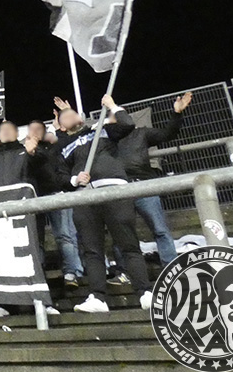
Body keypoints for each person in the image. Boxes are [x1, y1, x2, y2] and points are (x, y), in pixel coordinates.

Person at [56, 95, 151, 313]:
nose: (71, 116)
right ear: (61, 126)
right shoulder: (64, 147)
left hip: (114, 191)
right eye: (66, 117)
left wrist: (112, 106)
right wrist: (74, 180)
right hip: (85, 198)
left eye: (73, 113)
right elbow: (59, 176)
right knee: (92, 250)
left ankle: (145, 292)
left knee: (128, 244)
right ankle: (97, 297)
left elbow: (127, 124)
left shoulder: (101, 130)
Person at [112, 92, 193, 270]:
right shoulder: (105, 139)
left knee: (160, 229)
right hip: (118, 189)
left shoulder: (140, 133)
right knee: (121, 233)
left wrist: (177, 113)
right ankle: (125, 272)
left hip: (143, 184)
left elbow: (167, 134)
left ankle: (171, 268)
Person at [29, 117, 83, 289]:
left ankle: (71, 272)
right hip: (35, 199)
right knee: (36, 240)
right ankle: (39, 275)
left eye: (38, 129)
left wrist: (59, 130)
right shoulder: (24, 152)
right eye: (32, 129)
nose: (35, 132)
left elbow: (69, 141)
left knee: (64, 235)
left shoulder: (54, 147)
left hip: (56, 194)